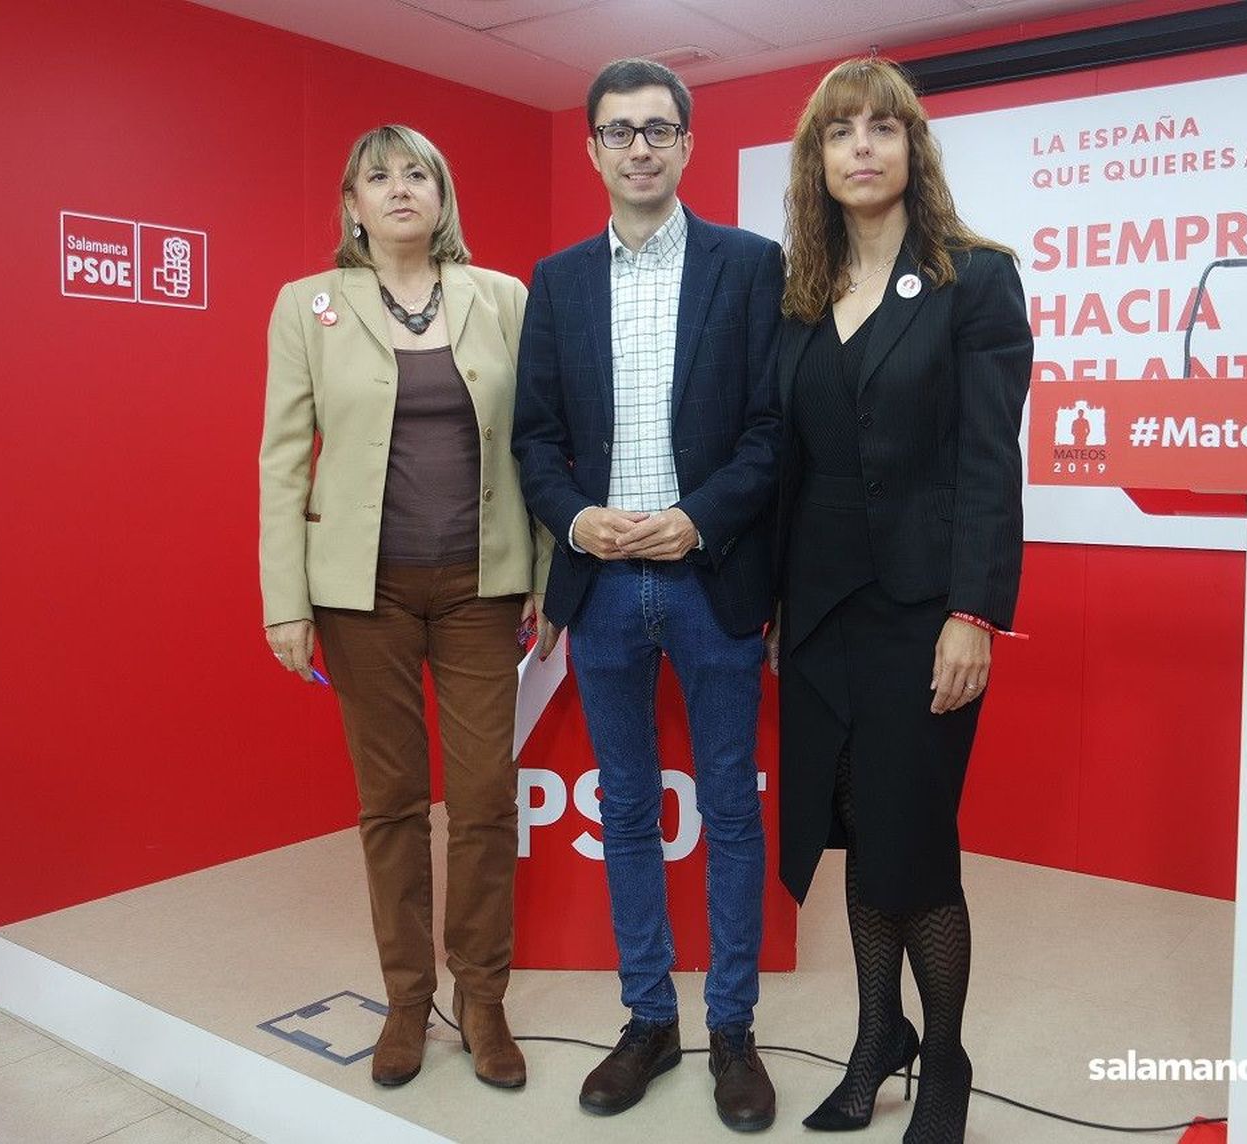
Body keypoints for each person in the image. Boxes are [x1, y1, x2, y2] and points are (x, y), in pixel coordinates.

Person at [511, 58, 782, 1133]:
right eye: (618, 131)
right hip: (605, 588)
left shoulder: (749, 268)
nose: (637, 148)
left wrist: (699, 514)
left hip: (712, 577)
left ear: (686, 146)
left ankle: (732, 1029)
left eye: (657, 130)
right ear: (591, 148)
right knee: (626, 808)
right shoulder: (558, 279)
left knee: (726, 807)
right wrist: (577, 519)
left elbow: (771, 433)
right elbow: (534, 437)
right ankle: (648, 1021)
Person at [770, 58, 1033, 1144]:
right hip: (820, 613)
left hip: (924, 612)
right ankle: (879, 1037)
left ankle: (947, 1060)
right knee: (856, 833)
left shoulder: (975, 276)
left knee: (912, 845)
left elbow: (988, 461)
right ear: (817, 160)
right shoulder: (798, 293)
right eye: (841, 132)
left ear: (913, 149)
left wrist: (974, 611)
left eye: (884, 128)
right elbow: (787, 462)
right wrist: (776, 608)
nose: (862, 147)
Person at [259, 124, 548, 1091]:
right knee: (389, 805)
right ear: (350, 204)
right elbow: (282, 460)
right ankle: (403, 997)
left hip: (481, 587)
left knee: (483, 802)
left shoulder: (501, 297)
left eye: (415, 172)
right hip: (361, 595)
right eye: (376, 177)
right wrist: (283, 599)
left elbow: (544, 442)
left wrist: (548, 574)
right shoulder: (309, 306)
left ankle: (483, 999)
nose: (398, 189)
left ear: (442, 193)